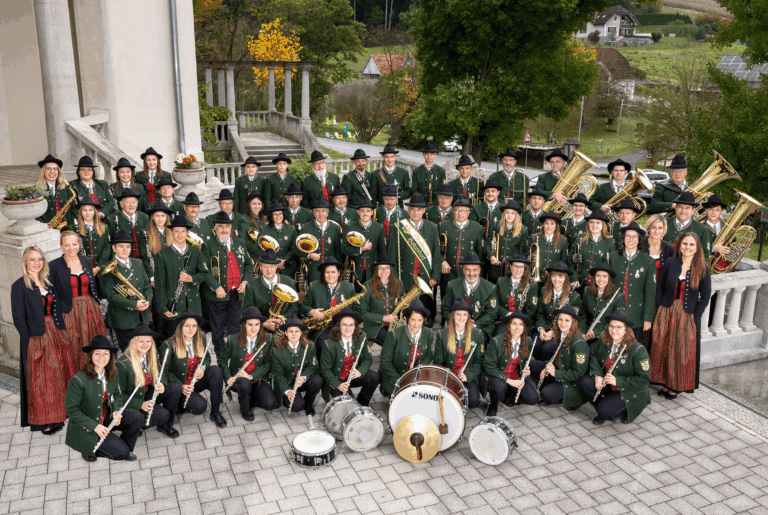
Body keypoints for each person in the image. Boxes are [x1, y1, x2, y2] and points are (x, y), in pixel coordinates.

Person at [12, 246, 72, 433]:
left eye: (40, 259)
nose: (36, 263)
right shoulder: (19, 286)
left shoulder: (47, 281)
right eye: (32, 259)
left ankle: (58, 416)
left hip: (54, 333)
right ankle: (44, 421)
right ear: (25, 262)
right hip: (36, 337)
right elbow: (18, 318)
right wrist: (29, 341)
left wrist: (63, 329)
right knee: (41, 381)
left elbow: (57, 306)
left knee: (57, 376)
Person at [651, 232, 711, 399]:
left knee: (679, 350)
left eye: (691, 244)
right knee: (662, 346)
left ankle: (675, 386)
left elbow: (705, 296)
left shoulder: (703, 268)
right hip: (667, 310)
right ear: (679, 246)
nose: (687, 247)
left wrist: (695, 316)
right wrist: (660, 305)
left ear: (697, 248)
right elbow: (660, 286)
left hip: (686, 314)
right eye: (685, 244)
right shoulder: (671, 263)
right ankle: (664, 382)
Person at [65, 335, 143, 462]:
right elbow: (71, 410)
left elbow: (117, 395)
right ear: (91, 356)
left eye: (106, 354)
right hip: (87, 425)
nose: (102, 357)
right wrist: (95, 426)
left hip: (105, 416)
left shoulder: (112, 372)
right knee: (121, 452)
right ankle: (89, 448)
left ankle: (120, 446)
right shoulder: (77, 380)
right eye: (97, 353)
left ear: (110, 356)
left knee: (137, 418)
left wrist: (116, 411)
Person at [578, 309, 650, 425]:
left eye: (618, 327)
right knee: (585, 382)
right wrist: (597, 375)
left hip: (628, 389)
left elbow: (644, 379)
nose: (613, 330)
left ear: (626, 330)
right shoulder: (604, 339)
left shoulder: (638, 350)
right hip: (609, 384)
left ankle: (628, 408)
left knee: (606, 411)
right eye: (611, 326)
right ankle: (603, 409)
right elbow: (593, 356)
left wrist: (617, 381)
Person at [50, 231, 106, 373]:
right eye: (67, 245)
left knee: (92, 343)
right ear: (61, 246)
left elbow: (92, 286)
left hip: (89, 309)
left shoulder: (85, 260)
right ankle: (77, 377)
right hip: (69, 311)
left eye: (74, 244)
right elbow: (52, 294)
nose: (71, 248)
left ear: (79, 245)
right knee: (73, 345)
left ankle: (95, 373)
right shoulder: (54, 266)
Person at [159, 310, 226, 427]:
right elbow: (164, 371)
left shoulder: (201, 337)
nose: (191, 329)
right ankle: (179, 402)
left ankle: (215, 412)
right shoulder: (169, 345)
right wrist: (181, 386)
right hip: (181, 386)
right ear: (180, 327)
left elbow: (207, 357)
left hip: (195, 381)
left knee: (216, 371)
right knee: (200, 407)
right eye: (187, 326)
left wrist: (203, 368)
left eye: (194, 326)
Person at [114, 323, 182, 438]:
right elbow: (118, 396)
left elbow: (160, 371)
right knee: (163, 415)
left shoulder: (151, 354)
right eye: (141, 341)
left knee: (175, 388)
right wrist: (140, 404)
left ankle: (165, 425)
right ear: (134, 342)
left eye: (148, 341)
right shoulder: (122, 364)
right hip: (133, 401)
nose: (145, 345)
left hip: (146, 393)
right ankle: (134, 423)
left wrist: (161, 383)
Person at [201, 211, 252, 355]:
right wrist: (216, 287)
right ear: (215, 228)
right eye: (221, 226)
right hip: (217, 294)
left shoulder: (239, 242)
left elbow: (248, 263)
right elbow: (204, 269)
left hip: (237, 292)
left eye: (227, 226)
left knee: (235, 326)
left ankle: (235, 354)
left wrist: (245, 281)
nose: (224, 229)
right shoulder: (208, 245)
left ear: (231, 228)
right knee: (218, 327)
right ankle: (221, 355)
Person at [154, 216, 214, 337]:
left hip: (193, 303)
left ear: (187, 233)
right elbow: (160, 285)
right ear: (171, 232)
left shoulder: (196, 251)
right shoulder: (162, 255)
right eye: (176, 231)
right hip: (173, 305)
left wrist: (192, 279)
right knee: (175, 338)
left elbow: (204, 273)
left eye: (183, 231)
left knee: (194, 338)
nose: (180, 235)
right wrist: (163, 307)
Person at [219, 307, 279, 420]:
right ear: (244, 325)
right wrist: (228, 377)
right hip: (239, 380)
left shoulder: (268, 338)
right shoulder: (233, 339)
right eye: (250, 324)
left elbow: (268, 363)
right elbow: (222, 360)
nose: (253, 328)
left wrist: (251, 376)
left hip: (258, 378)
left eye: (257, 324)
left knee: (270, 404)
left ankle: (249, 397)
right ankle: (245, 409)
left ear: (260, 325)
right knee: (244, 385)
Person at [390, 193, 441, 322]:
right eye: (413, 209)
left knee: (425, 303)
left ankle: (426, 321)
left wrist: (435, 275)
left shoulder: (432, 227)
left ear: (423, 211)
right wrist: (394, 277)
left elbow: (436, 254)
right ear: (408, 210)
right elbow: (392, 254)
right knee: (406, 305)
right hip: (405, 275)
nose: (416, 213)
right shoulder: (399, 227)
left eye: (419, 210)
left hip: (425, 275)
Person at [100, 230, 153, 351]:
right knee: (129, 353)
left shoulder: (138, 263)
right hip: (123, 320)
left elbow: (146, 285)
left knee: (143, 350)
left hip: (142, 317)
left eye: (128, 246)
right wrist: (134, 304)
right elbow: (110, 295)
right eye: (121, 246)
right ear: (114, 248)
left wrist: (147, 301)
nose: (125, 249)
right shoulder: (106, 268)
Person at [530, 303, 588, 407]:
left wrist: (555, 373)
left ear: (573, 322)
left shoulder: (579, 343)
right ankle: (552, 390)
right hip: (561, 372)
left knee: (545, 394)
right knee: (533, 365)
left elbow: (578, 374)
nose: (562, 323)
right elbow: (558, 358)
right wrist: (547, 367)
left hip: (571, 382)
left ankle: (569, 397)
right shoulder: (562, 334)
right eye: (560, 319)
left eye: (567, 320)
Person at [320, 309, 381, 406]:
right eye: (344, 325)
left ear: (355, 326)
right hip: (338, 379)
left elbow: (367, 358)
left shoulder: (362, 337)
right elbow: (325, 369)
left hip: (353, 376)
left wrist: (360, 371)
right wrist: (337, 384)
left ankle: (362, 403)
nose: (348, 328)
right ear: (339, 326)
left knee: (375, 377)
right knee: (349, 404)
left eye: (351, 325)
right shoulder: (328, 344)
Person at [607, 221, 655, 341]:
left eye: (634, 237)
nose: (631, 240)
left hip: (636, 314)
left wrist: (647, 318)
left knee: (633, 345)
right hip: (615, 312)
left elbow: (650, 292)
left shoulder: (648, 261)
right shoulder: (612, 257)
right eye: (628, 236)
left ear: (639, 240)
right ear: (623, 239)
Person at [485, 310, 539, 415]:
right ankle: (493, 406)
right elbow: (489, 367)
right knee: (498, 387)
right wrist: (509, 380)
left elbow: (524, 363)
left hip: (515, 377)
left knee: (533, 398)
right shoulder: (496, 341)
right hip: (498, 378)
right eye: (514, 324)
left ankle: (509, 397)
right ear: (508, 326)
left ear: (524, 328)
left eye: (521, 324)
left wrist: (525, 371)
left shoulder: (527, 341)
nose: (517, 328)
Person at [434, 299, 485, 409]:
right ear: (453, 316)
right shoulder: (442, 335)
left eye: (465, 315)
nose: (462, 318)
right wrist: (448, 377)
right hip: (449, 376)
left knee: (473, 402)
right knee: (446, 401)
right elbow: (438, 362)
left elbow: (479, 361)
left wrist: (468, 376)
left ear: (468, 317)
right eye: (458, 314)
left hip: (467, 375)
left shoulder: (477, 334)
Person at [301, 257, 356, 359]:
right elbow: (304, 306)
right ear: (323, 273)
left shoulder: (349, 287)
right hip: (321, 327)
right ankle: (324, 367)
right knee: (322, 344)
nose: (330, 275)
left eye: (333, 272)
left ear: (339, 273)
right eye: (327, 272)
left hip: (343, 326)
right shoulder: (314, 286)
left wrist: (348, 319)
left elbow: (358, 309)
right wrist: (312, 311)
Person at [271, 316, 324, 416]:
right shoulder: (277, 349)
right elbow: (278, 374)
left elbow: (312, 366)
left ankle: (308, 404)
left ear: (301, 333)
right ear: (286, 333)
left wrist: (304, 377)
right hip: (287, 381)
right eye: (291, 331)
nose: (294, 334)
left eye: (297, 331)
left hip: (301, 379)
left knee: (317, 381)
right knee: (297, 406)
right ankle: (288, 399)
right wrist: (287, 391)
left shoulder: (310, 346)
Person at [379, 300, 433, 398]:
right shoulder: (393, 335)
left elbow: (429, 355)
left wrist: (416, 371)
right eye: (413, 320)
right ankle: (386, 390)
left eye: (420, 320)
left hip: (416, 378)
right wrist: (400, 380)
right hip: (395, 380)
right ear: (408, 319)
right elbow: (385, 361)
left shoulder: (428, 333)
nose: (416, 324)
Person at [441, 252, 497, 341]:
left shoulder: (491, 288)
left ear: (479, 270)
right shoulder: (452, 285)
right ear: (463, 270)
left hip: (481, 327)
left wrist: (475, 325)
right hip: (455, 325)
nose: (471, 273)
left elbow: (491, 314)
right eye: (468, 270)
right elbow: (445, 309)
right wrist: (458, 322)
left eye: (475, 270)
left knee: (477, 338)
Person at [241, 249, 300, 332]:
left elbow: (295, 306)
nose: (269, 270)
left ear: (276, 267)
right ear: (260, 267)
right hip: (261, 329)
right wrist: (262, 323)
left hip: (284, 327)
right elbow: (246, 310)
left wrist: (283, 318)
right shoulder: (251, 286)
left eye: (271, 266)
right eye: (265, 267)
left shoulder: (288, 281)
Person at [533, 261, 581, 360]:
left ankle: (546, 367)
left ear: (565, 278)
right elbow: (540, 314)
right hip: (545, 328)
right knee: (534, 343)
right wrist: (541, 330)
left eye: (560, 276)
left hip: (562, 331)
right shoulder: (544, 290)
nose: (556, 279)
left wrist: (553, 332)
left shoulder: (574, 296)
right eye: (553, 276)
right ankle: (535, 367)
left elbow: (571, 322)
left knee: (546, 348)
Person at [640, 214, 676, 347]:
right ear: (648, 229)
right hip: (641, 291)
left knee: (657, 326)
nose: (656, 231)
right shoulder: (640, 244)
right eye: (653, 227)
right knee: (642, 325)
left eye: (660, 228)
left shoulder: (669, 248)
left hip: (660, 293)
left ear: (664, 230)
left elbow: (672, 274)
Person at [439, 195, 485, 292]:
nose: (460, 214)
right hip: (447, 272)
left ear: (469, 212)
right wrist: (442, 261)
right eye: (457, 210)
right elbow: (435, 248)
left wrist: (478, 274)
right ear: (453, 211)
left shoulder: (477, 228)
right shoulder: (442, 226)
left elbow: (479, 253)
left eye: (463, 211)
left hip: (468, 275)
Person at [355, 255, 403, 345]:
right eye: (380, 268)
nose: (384, 271)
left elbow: (403, 303)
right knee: (393, 342)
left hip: (394, 324)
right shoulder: (368, 286)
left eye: (387, 268)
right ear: (376, 270)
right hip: (375, 327)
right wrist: (384, 318)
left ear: (391, 270)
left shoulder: (399, 283)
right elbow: (363, 313)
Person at [296, 196, 343, 283]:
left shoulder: (335, 228)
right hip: (313, 269)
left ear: (327, 213)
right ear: (314, 213)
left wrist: (339, 269)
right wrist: (309, 255)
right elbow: (295, 248)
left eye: (323, 211)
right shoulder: (305, 227)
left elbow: (338, 252)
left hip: (331, 271)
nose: (321, 214)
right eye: (317, 211)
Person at [339, 197, 385, 287]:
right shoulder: (350, 226)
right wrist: (361, 249)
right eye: (362, 211)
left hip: (372, 270)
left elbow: (382, 252)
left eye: (368, 211)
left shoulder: (379, 227)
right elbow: (343, 249)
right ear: (358, 212)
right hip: (355, 270)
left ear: (372, 212)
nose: (365, 214)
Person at [143, 202, 173, 337]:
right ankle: (159, 339)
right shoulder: (146, 234)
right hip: (156, 278)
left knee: (171, 308)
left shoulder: (172, 232)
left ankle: (171, 337)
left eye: (163, 216)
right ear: (152, 218)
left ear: (167, 217)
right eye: (157, 216)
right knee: (158, 310)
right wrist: (152, 277)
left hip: (171, 277)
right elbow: (144, 258)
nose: (160, 219)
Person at [579, 263, 625, 348]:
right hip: (587, 333)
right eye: (598, 276)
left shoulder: (618, 297)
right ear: (594, 277)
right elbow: (583, 315)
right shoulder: (587, 291)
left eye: (604, 276)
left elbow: (616, 322)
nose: (601, 279)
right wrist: (582, 332)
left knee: (590, 350)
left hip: (606, 335)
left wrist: (596, 333)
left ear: (609, 279)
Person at [493, 252, 539, 335]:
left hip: (522, 322)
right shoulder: (501, 281)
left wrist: (518, 320)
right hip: (504, 321)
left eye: (521, 267)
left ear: (525, 268)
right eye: (515, 266)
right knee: (500, 335)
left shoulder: (532, 285)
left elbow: (531, 310)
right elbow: (495, 304)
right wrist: (507, 314)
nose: (518, 270)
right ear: (510, 267)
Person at [485, 199, 528, 283]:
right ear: (503, 214)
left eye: (512, 213)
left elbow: (522, 251)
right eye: (507, 212)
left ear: (516, 215)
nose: (509, 215)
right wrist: (491, 256)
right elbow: (487, 244)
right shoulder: (496, 225)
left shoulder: (523, 230)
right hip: (496, 265)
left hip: (512, 268)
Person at [570, 210, 612, 290]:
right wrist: (574, 278)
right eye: (591, 222)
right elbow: (570, 261)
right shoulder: (580, 238)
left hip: (600, 285)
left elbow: (611, 265)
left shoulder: (610, 242)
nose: (594, 225)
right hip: (579, 283)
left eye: (598, 223)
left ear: (603, 225)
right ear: (588, 224)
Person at [663, 191, 712, 260]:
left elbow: (704, 256)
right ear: (676, 208)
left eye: (687, 208)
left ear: (693, 210)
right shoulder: (663, 222)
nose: (683, 211)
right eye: (680, 207)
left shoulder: (702, 229)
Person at [260, 200, 299, 281]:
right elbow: (260, 248)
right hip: (269, 269)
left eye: (280, 214)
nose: (278, 216)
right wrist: (274, 262)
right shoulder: (264, 229)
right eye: (275, 214)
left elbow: (294, 247)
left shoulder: (291, 229)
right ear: (271, 216)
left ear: (283, 215)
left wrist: (284, 260)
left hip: (288, 268)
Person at [35, 154, 77, 229]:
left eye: (55, 169)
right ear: (43, 171)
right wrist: (42, 225)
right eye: (49, 169)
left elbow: (74, 209)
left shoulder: (66, 187)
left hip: (67, 228)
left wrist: (72, 226)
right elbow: (34, 212)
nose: (52, 171)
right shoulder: (37, 190)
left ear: (58, 171)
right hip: (47, 229)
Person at [72, 197, 111, 275]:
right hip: (82, 268)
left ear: (95, 212)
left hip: (101, 269)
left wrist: (98, 267)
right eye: (84, 210)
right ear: (80, 212)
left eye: (90, 210)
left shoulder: (105, 227)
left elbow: (106, 249)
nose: (88, 213)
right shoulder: (73, 228)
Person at [527, 211, 569, 282]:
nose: (549, 227)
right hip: (535, 278)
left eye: (552, 224)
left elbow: (563, 261)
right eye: (547, 223)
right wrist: (530, 274)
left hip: (554, 279)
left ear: (556, 226)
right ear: (543, 225)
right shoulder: (534, 238)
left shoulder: (563, 240)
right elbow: (527, 258)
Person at [69, 155, 115, 220]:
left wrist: (101, 214)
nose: (86, 172)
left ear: (93, 171)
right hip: (83, 221)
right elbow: (72, 207)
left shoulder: (103, 184)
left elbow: (111, 201)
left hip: (104, 220)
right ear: (78, 172)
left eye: (89, 170)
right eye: (83, 170)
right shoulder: (71, 185)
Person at [109, 188, 149, 261]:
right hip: (122, 260)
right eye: (127, 202)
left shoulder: (144, 217)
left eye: (134, 202)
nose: (131, 205)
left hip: (144, 259)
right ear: (121, 204)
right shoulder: (111, 219)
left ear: (137, 203)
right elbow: (109, 245)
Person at [411, 140, 446, 206]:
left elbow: (441, 191)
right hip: (420, 205)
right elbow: (415, 190)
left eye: (431, 154)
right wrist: (420, 203)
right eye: (427, 154)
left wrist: (433, 205)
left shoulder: (441, 171)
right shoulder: (416, 170)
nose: (429, 156)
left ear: (435, 155)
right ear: (423, 154)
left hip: (435, 206)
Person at [238, 190, 267, 263]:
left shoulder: (263, 218)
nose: (257, 207)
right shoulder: (244, 220)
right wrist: (261, 248)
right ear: (249, 205)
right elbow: (243, 241)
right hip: (252, 258)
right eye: (254, 204)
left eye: (259, 204)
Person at [702, 194, 729, 258]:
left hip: (723, 262)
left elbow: (732, 245)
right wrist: (714, 248)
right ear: (706, 210)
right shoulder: (699, 227)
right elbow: (696, 247)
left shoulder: (727, 227)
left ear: (721, 211)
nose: (713, 212)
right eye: (710, 209)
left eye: (717, 210)